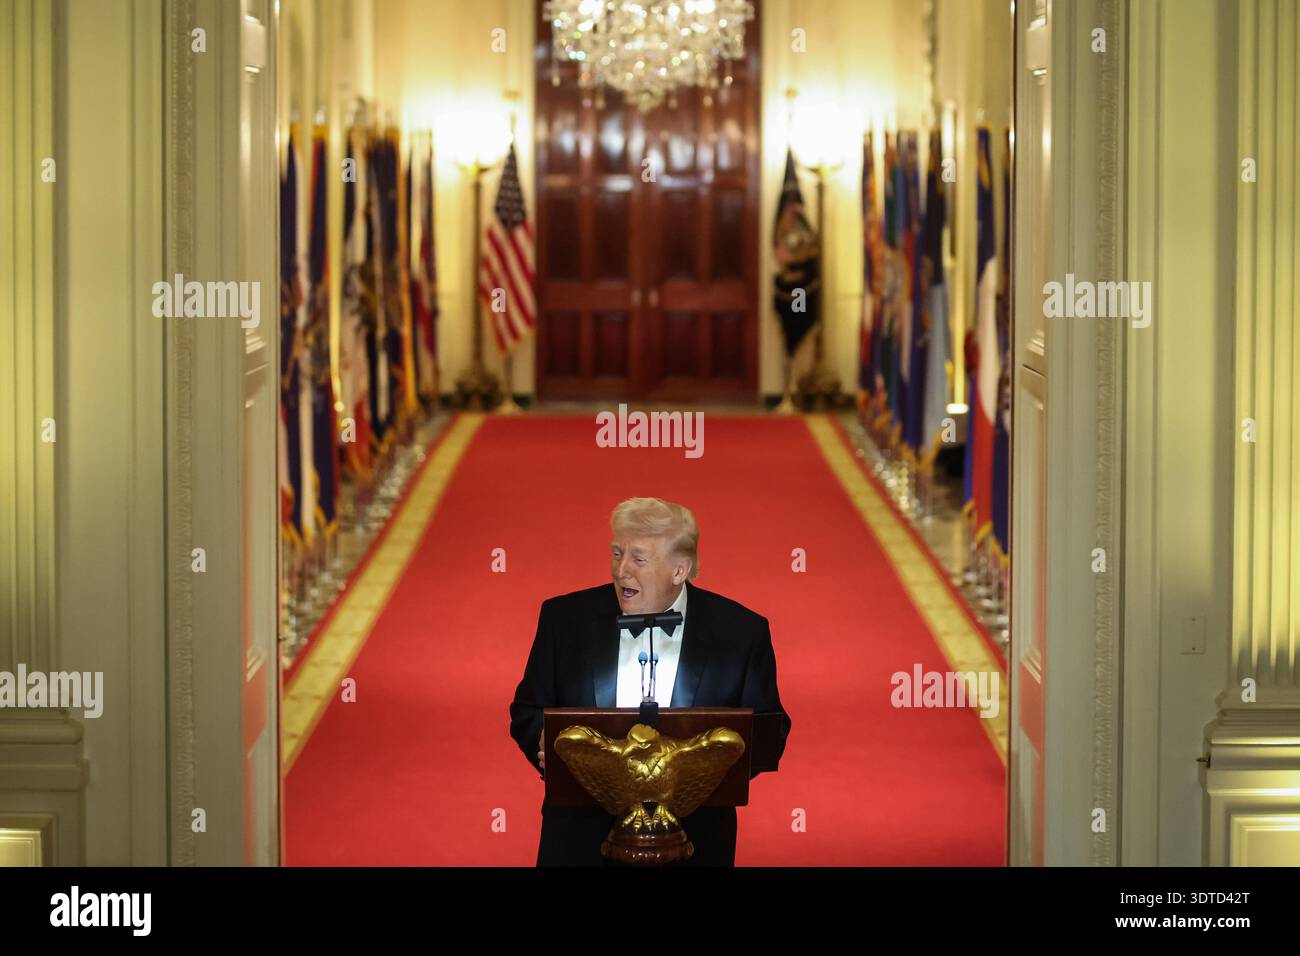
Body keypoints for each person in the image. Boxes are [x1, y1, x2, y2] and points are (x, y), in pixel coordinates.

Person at [508, 496, 792, 866]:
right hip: (579, 840)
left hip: (696, 842)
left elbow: (770, 730)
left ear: (679, 570)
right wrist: (546, 745)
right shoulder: (564, 620)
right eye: (616, 554)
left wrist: (705, 774)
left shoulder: (741, 632)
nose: (621, 570)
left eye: (638, 559)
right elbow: (527, 711)